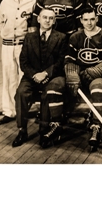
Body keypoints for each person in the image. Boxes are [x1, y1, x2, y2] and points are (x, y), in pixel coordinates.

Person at [64, 7, 102, 150]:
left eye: (92, 19)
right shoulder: (75, 37)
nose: (89, 23)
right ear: (81, 20)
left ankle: (96, 126)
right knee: (64, 86)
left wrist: (96, 71)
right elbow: (70, 60)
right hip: (81, 76)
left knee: (97, 88)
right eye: (86, 20)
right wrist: (72, 75)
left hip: (100, 77)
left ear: (97, 19)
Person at [13, 8, 67, 148]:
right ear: (38, 19)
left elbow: (61, 62)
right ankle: (22, 130)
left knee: (47, 95)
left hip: (52, 76)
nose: (47, 21)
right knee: (21, 93)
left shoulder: (61, 37)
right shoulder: (29, 37)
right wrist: (34, 75)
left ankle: (44, 131)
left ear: (54, 21)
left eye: (51, 18)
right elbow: (23, 61)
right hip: (32, 76)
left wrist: (46, 73)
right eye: (45, 17)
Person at [0, 0, 36, 124]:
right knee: (8, 77)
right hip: (7, 45)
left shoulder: (33, 2)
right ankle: (9, 111)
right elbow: (0, 22)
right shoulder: (5, 2)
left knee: (23, 78)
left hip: (23, 46)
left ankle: (23, 110)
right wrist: (6, 34)